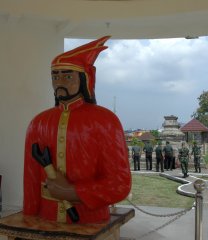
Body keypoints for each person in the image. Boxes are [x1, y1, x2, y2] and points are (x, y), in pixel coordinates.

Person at [23, 36, 131, 224]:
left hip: (91, 219)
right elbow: (31, 180)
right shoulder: (38, 123)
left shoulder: (106, 121)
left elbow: (120, 184)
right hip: (46, 219)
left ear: (84, 79)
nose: (59, 82)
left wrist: (72, 192)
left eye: (67, 76)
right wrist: (29, 219)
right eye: (55, 76)